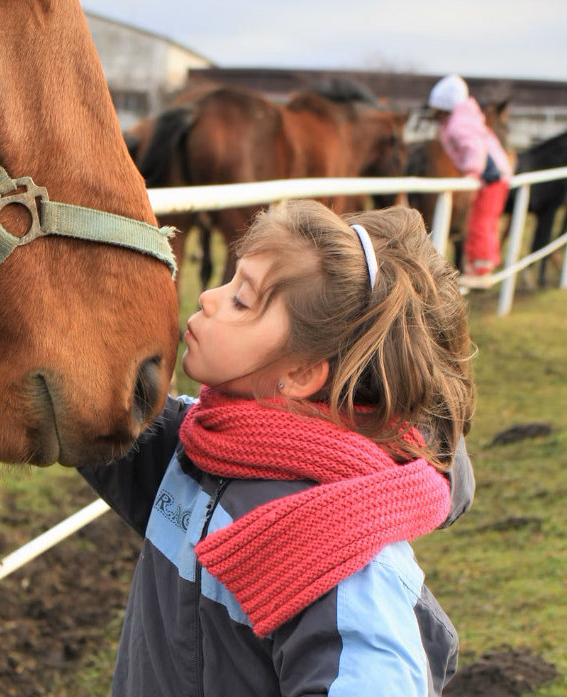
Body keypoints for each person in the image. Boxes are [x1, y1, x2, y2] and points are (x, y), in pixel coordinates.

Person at [81, 201, 477, 697]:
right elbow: (91, 401)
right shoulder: (198, 447)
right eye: (229, 282)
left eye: (242, 301)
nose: (207, 298)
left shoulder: (344, 559)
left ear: (300, 373)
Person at [428, 73, 513, 284]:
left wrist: (472, 173)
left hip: (491, 177)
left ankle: (481, 270)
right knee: (485, 220)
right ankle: (482, 264)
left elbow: (474, 149)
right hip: (495, 176)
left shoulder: (458, 124)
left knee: (481, 221)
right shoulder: (460, 119)